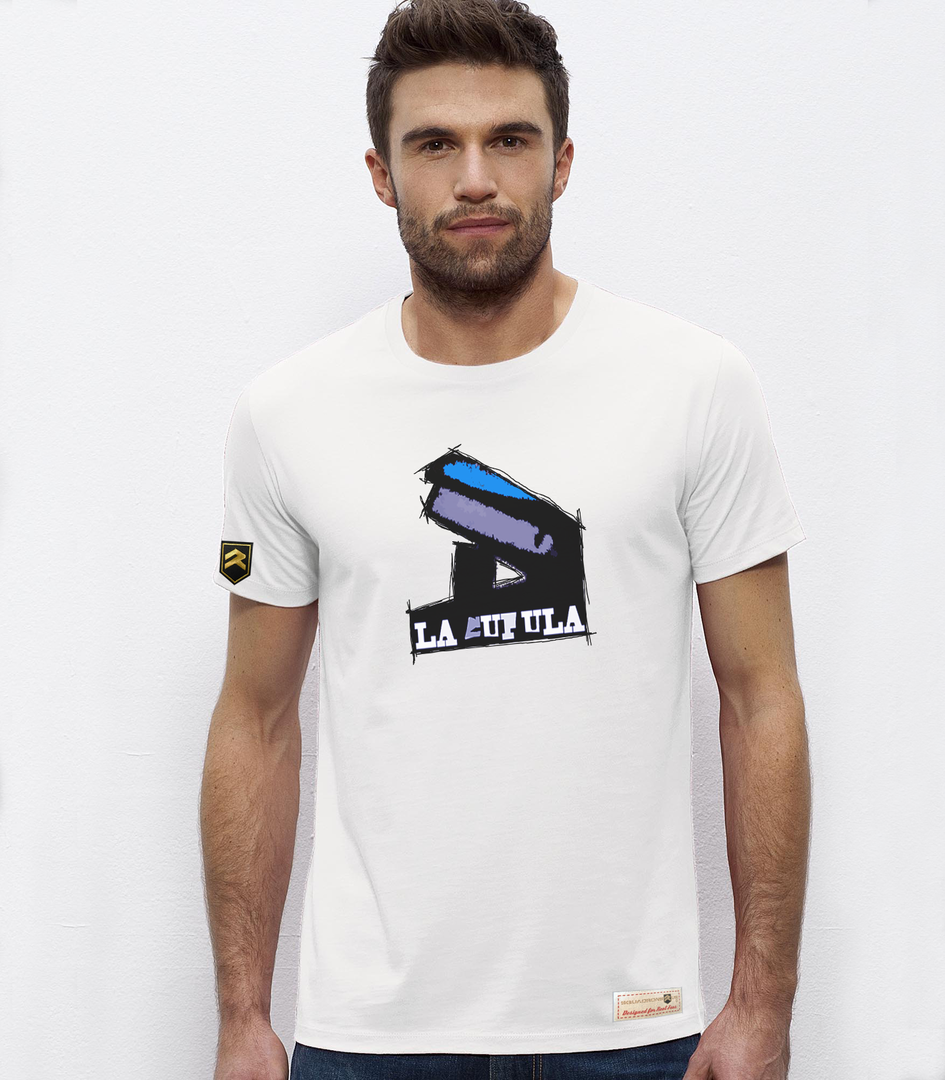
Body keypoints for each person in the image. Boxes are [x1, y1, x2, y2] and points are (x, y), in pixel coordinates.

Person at [200, 2, 811, 1078]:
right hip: (372, 1037)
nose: (475, 179)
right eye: (436, 144)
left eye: (510, 140)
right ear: (383, 174)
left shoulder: (693, 385)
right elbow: (254, 718)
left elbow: (762, 696)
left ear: (562, 162)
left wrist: (764, 1001)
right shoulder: (286, 413)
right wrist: (242, 1014)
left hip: (630, 1028)